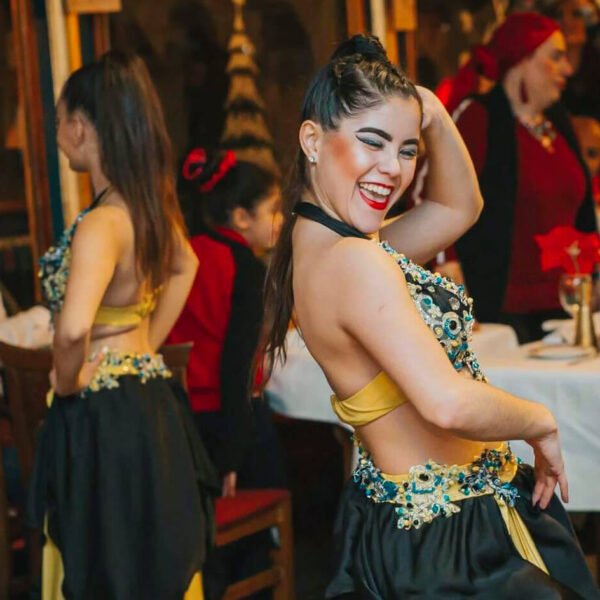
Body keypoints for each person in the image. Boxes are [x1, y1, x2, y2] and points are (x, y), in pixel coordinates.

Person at [263, 34, 599, 598]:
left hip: (418, 522)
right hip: (450, 541)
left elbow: (459, 206)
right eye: (372, 142)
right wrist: (539, 421)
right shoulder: (354, 261)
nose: (392, 170)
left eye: (406, 150)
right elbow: (447, 403)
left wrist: (435, 116)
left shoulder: (324, 245)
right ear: (312, 140)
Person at [29, 52, 217, 600]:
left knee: (108, 562)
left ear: (80, 126)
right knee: (147, 555)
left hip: (103, 413)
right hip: (150, 398)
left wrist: (67, 382)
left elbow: (72, 330)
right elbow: (186, 266)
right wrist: (145, 345)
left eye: (58, 120)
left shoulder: (103, 224)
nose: (57, 134)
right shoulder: (147, 209)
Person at [167, 148, 284, 599]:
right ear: (240, 217)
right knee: (269, 477)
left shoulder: (185, 255)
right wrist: (232, 457)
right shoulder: (244, 268)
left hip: (181, 423)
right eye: (273, 210)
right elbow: (236, 369)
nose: (280, 222)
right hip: (228, 422)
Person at [441, 12, 597, 342]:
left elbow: (580, 215)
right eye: (556, 57)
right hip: (505, 315)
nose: (568, 69)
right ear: (522, 59)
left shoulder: (558, 122)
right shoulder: (479, 117)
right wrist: (451, 285)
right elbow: (440, 197)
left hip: (567, 310)